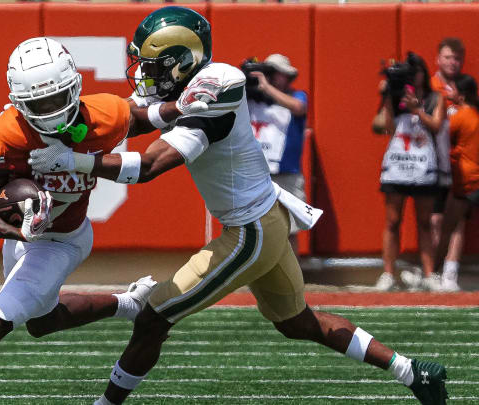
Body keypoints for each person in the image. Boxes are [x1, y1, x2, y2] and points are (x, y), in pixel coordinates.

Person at [28, 7, 448, 405]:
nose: (145, 74)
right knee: (299, 323)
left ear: (180, 62)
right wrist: (75, 129)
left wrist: (75, 161)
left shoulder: (220, 86)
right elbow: (138, 117)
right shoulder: (197, 82)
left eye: (153, 66)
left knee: (153, 317)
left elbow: (153, 164)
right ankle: (414, 372)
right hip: (267, 218)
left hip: (250, 231)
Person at [0, 36, 212, 405]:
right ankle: (128, 304)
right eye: (37, 103)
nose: (49, 110)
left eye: (55, 98)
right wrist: (17, 231)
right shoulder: (11, 132)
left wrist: (186, 106)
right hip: (26, 238)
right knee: (41, 323)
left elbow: (145, 119)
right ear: (20, 103)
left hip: (64, 241)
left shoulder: (103, 114)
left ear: (75, 87)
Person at [373, 52, 445, 292]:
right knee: (392, 221)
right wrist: (387, 96)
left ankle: (429, 274)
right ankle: (388, 273)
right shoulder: (394, 98)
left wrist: (417, 110)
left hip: (424, 166)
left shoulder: (435, 98)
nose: (413, 77)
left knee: (425, 222)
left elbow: (436, 126)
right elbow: (386, 128)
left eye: (416, 72)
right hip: (398, 166)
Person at [244, 53, 308, 256]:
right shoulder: (249, 99)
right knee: (252, 226)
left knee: (289, 226)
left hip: (286, 172)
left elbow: (299, 108)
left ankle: (294, 276)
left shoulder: (296, 96)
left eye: (282, 75)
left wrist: (267, 88)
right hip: (254, 173)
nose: (279, 78)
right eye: (273, 74)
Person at [434, 74, 479, 285]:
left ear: (462, 96)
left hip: (471, 181)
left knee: (448, 227)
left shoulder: (462, 115)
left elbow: (436, 128)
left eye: (452, 88)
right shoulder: (474, 113)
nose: (447, 91)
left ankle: (437, 273)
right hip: (478, 178)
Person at [430, 37, 467, 291]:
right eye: (447, 57)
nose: (451, 63)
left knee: (459, 218)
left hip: (462, 164)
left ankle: (450, 272)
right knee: (434, 219)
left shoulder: (468, 88)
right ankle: (432, 270)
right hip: (432, 163)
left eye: (456, 58)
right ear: (437, 59)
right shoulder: (430, 88)